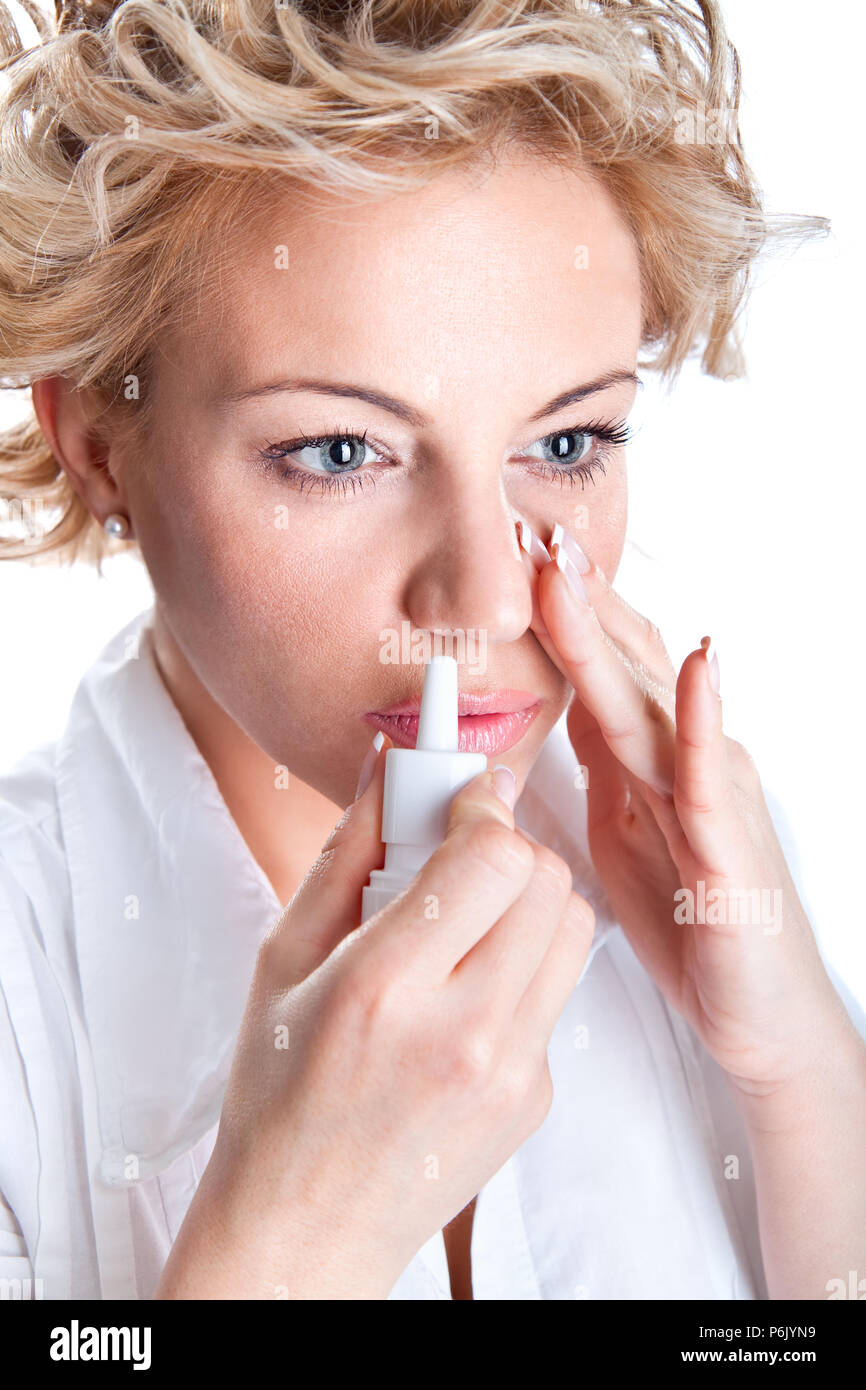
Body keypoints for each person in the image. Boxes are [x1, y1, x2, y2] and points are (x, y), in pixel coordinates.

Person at [0, 0, 863, 1301]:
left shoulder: (701, 874)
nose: (483, 602)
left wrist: (794, 1064)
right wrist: (295, 1236)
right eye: (339, 452)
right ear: (102, 447)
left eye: (564, 444)